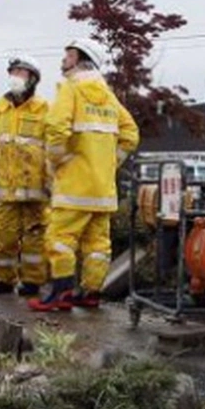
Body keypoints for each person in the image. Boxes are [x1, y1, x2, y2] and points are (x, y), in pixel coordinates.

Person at [29, 38, 138, 313]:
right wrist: (110, 163)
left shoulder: (71, 89)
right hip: (102, 191)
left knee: (60, 238)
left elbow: (56, 128)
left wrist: (58, 161)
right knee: (97, 244)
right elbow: (131, 135)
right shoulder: (109, 97)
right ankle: (91, 293)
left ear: (79, 58)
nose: (64, 60)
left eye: (68, 55)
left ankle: (60, 293)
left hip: (74, 187)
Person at [0, 55, 50, 297]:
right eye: (13, 72)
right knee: (4, 235)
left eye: (21, 72)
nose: (15, 77)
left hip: (35, 189)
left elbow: (52, 147)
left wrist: (52, 182)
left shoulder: (44, 109)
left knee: (35, 238)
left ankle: (33, 282)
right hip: (8, 189)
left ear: (33, 79)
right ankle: (4, 280)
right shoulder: (0, 108)